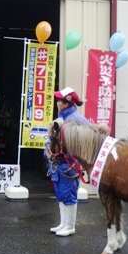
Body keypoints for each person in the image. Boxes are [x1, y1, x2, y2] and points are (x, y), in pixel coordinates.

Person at [45, 87, 89, 236]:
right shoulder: (62, 117)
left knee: (69, 194)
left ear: (67, 103)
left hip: (69, 164)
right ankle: (63, 223)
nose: (57, 103)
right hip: (58, 163)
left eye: (59, 100)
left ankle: (70, 226)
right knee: (60, 193)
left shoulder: (77, 119)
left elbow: (87, 140)